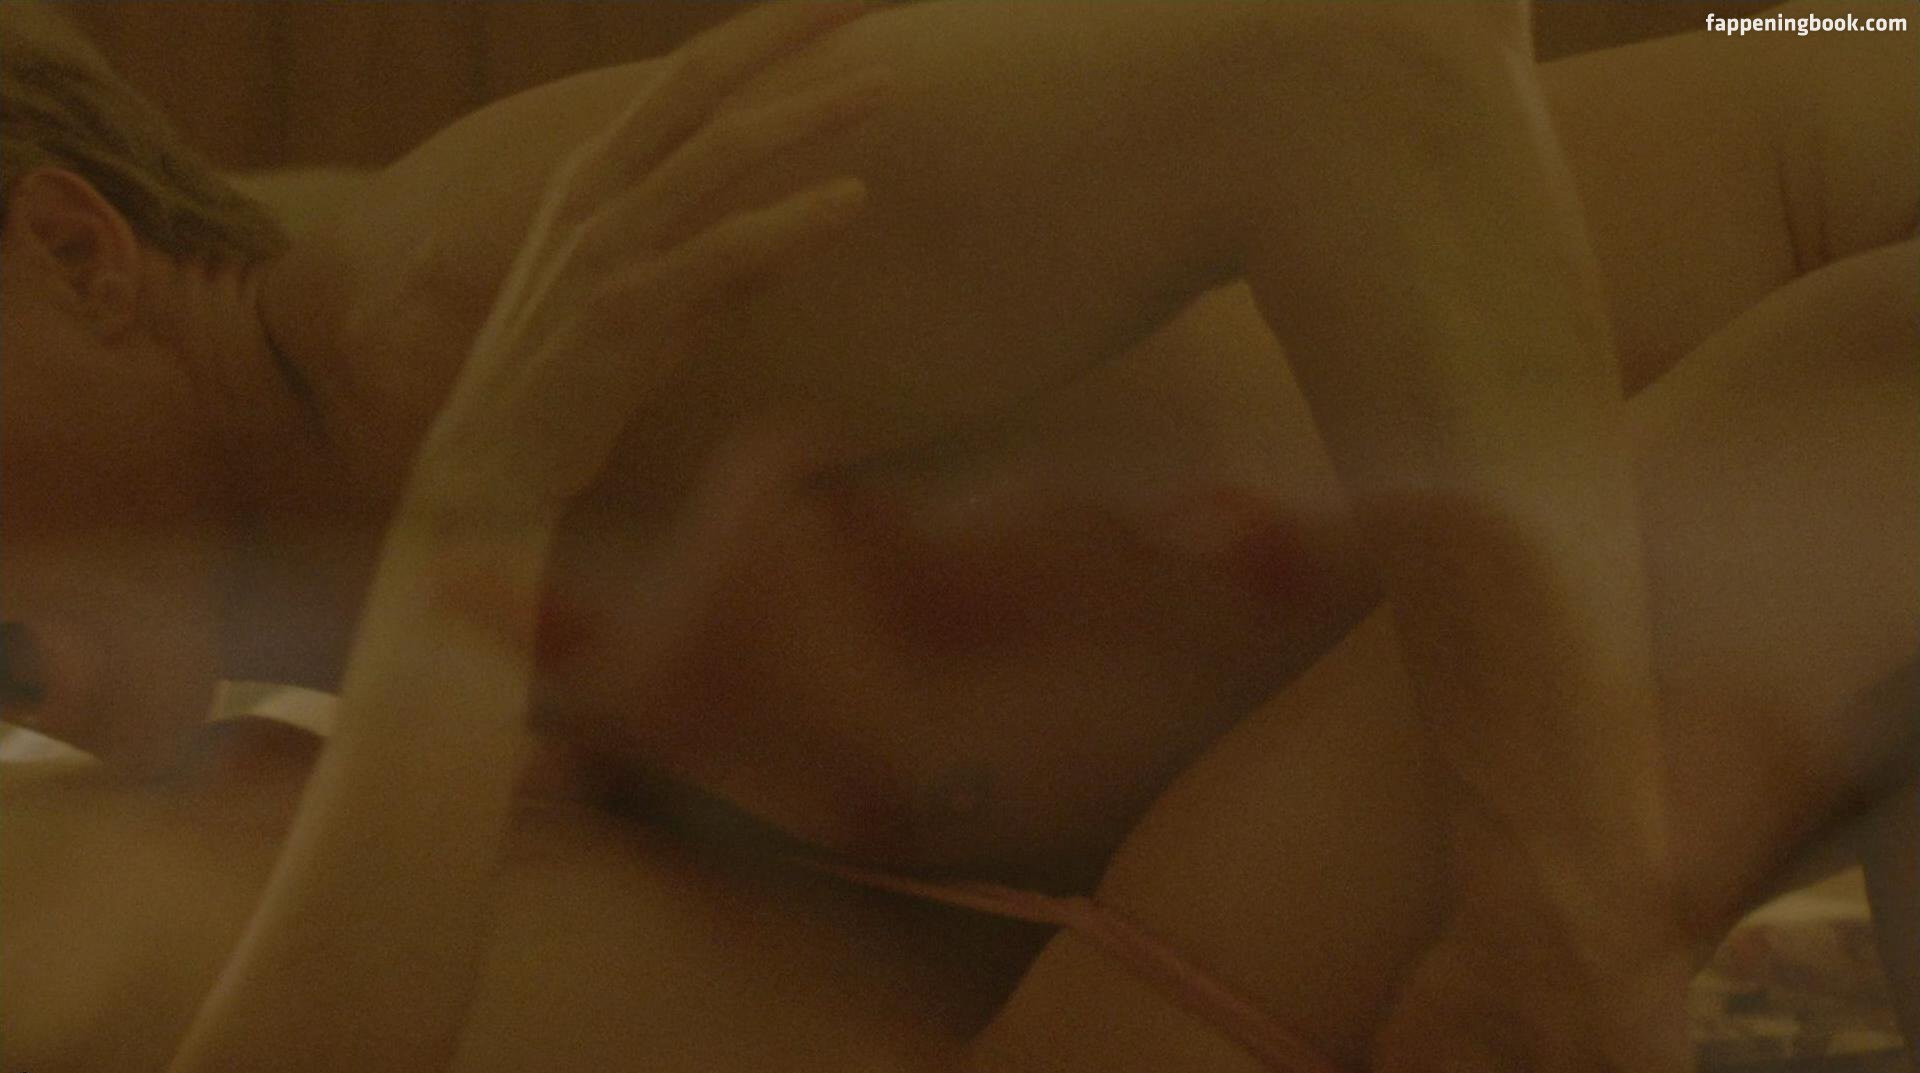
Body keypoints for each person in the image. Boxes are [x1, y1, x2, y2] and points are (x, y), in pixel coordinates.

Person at [2, 0, 1914, 1067]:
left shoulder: (501, 291)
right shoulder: (372, 574)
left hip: (1854, 231)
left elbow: (1362, 55)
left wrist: (1563, 907)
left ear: (79, 253)